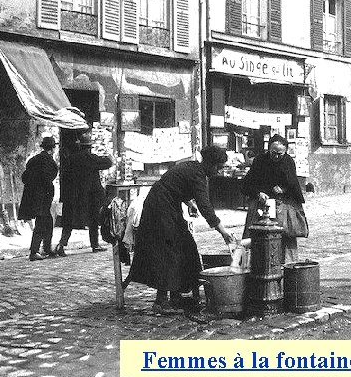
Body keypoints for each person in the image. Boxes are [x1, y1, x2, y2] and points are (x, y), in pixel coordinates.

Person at [124, 145, 234, 315]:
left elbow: (175, 184)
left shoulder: (192, 167)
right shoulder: (198, 175)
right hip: (160, 208)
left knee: (186, 246)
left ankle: (176, 295)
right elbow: (206, 207)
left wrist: (189, 202)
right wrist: (223, 231)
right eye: (218, 167)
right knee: (169, 250)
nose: (219, 171)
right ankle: (160, 302)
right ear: (210, 164)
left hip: (165, 204)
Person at [242, 134, 308, 264]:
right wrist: (258, 193)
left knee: (284, 238)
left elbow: (293, 184)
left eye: (280, 154)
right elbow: (247, 184)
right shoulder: (260, 161)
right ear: (268, 149)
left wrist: (283, 189)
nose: (276, 157)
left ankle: (287, 267)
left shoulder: (288, 162)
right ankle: (256, 267)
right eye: (273, 153)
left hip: (282, 207)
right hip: (261, 205)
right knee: (256, 236)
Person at [54, 132, 112, 256]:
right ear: (89, 147)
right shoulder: (91, 158)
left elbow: (65, 176)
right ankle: (95, 245)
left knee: (68, 222)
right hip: (91, 195)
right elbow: (108, 162)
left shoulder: (71, 159)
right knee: (93, 220)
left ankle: (61, 245)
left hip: (74, 195)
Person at [18, 136, 59, 261]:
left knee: (47, 222)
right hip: (43, 197)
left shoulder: (33, 160)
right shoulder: (48, 161)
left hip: (33, 196)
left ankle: (46, 248)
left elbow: (24, 177)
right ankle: (34, 251)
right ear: (52, 148)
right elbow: (47, 179)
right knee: (42, 223)